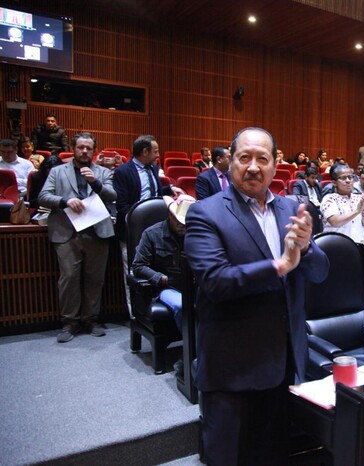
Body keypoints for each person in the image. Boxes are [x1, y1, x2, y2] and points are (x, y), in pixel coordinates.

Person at [184, 127, 329, 464]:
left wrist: (306, 248)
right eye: (244, 158)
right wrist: (279, 265)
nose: (253, 167)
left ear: (275, 165)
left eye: (262, 158)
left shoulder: (290, 208)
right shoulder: (205, 212)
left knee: (272, 454)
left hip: (282, 361)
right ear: (229, 162)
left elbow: (320, 274)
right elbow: (215, 281)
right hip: (232, 364)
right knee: (229, 456)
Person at [38, 132, 116, 342]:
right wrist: (65, 201)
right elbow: (43, 196)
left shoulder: (102, 172)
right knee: (69, 277)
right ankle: (69, 322)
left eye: (88, 148)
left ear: (94, 151)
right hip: (67, 232)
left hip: (97, 231)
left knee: (95, 278)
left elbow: (112, 195)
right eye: (81, 147)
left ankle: (90, 319)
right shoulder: (57, 171)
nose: (84, 151)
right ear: (73, 148)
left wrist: (96, 183)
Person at [114, 135, 183, 316]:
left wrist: (168, 190)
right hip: (132, 230)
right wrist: (139, 224)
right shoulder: (123, 171)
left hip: (156, 230)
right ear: (144, 152)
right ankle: (135, 316)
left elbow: (153, 193)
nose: (158, 154)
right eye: (155, 151)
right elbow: (122, 206)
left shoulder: (153, 168)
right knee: (133, 272)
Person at [131, 195, 196, 334]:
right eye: (179, 221)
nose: (183, 226)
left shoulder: (196, 233)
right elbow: (138, 266)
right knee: (181, 305)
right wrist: (158, 277)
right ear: (170, 215)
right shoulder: (151, 234)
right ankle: (192, 349)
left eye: (186, 223)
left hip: (193, 285)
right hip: (165, 287)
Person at [320, 164, 364, 242]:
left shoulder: (359, 198)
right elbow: (335, 222)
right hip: (336, 245)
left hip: (358, 245)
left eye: (350, 177)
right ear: (334, 182)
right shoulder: (329, 199)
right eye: (343, 178)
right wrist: (357, 211)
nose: (348, 181)